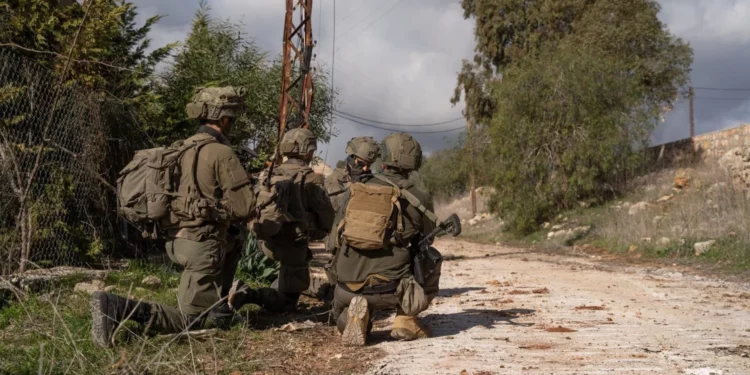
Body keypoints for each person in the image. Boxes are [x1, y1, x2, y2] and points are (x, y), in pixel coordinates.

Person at [90, 87, 276, 348]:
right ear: (224, 119)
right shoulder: (222, 153)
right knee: (190, 321)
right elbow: (244, 208)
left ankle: (218, 305)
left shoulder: (181, 147)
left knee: (234, 238)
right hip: (202, 244)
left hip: (175, 242)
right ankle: (117, 307)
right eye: (231, 118)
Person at [331, 132, 438, 346]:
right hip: (390, 289)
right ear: (414, 160)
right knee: (432, 256)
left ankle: (352, 317)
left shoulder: (355, 188)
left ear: (384, 157)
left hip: (345, 286)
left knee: (342, 314)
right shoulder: (420, 196)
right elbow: (428, 238)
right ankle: (405, 319)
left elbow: (334, 238)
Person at [253, 127, 335, 309]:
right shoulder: (312, 178)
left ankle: (274, 289)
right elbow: (327, 216)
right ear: (308, 152)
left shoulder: (269, 174)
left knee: (288, 280)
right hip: (294, 245)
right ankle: (249, 294)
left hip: (266, 242)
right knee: (288, 302)